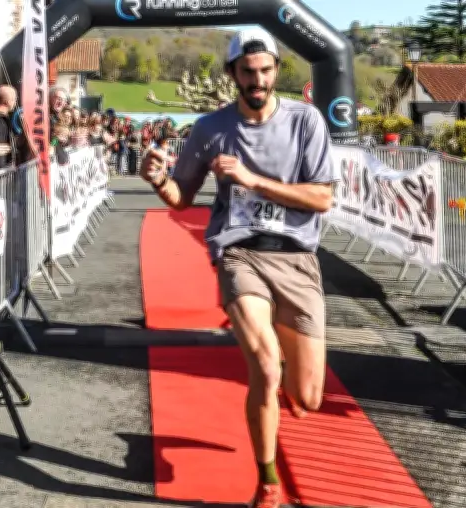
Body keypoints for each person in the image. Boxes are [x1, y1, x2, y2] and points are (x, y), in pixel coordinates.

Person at [140, 27, 336, 508]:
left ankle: (287, 377)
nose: (257, 80)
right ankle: (267, 481)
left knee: (308, 397)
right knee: (265, 369)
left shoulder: (305, 121)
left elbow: (322, 197)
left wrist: (253, 180)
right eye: (247, 72)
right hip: (239, 253)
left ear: (275, 72)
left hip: (297, 258)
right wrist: (157, 178)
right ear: (232, 74)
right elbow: (181, 198)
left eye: (265, 71)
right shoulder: (211, 129)